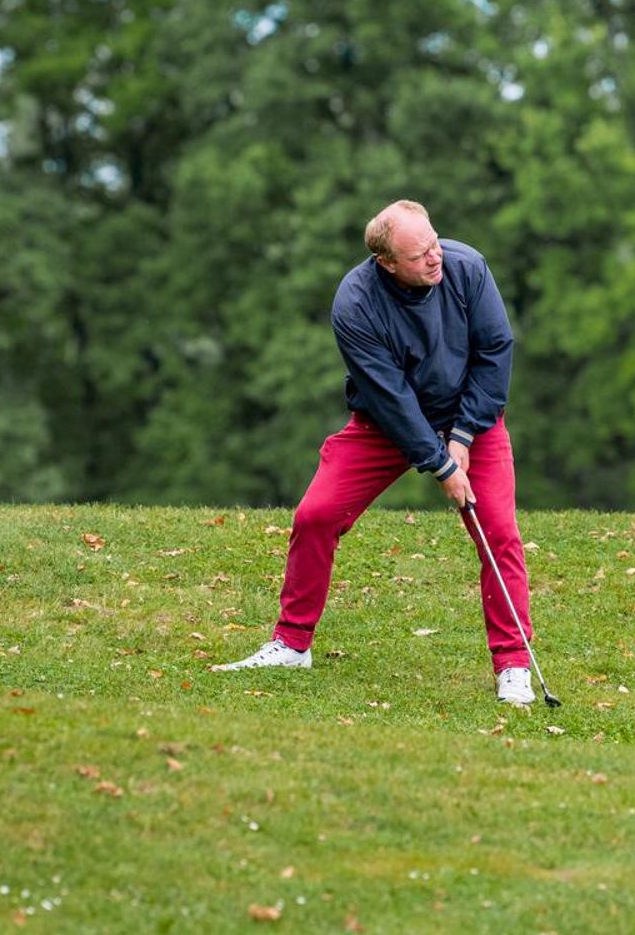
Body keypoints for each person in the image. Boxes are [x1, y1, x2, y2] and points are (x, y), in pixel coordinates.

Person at [212, 200, 538, 705]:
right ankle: (292, 643)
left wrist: (463, 435)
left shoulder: (468, 267)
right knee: (317, 515)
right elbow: (391, 398)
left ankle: (514, 664)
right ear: (386, 262)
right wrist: (440, 465)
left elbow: (495, 352)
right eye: (419, 255)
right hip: (386, 424)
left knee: (499, 533)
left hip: (469, 417)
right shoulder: (356, 302)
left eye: (434, 243)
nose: (435, 257)